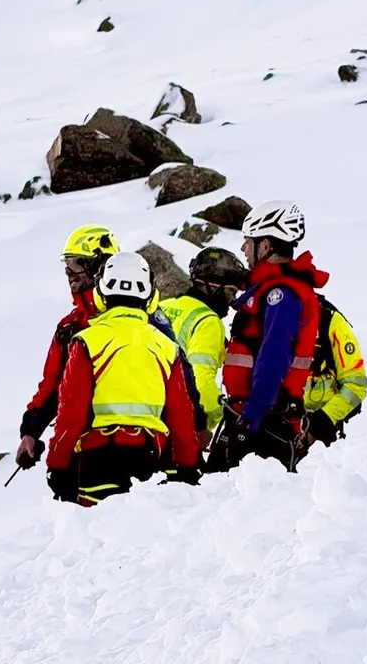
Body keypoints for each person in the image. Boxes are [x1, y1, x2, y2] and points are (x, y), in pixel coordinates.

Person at [45, 252, 204, 506]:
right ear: (150, 296)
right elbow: (181, 415)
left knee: (95, 540)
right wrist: (188, 464)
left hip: (98, 462)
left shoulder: (87, 341)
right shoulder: (166, 346)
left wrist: (58, 465)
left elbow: (70, 414)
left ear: (101, 292)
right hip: (151, 460)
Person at [208, 200, 331, 474]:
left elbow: (274, 358)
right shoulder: (273, 289)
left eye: (247, 241)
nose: (243, 249)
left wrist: (248, 421)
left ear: (265, 246)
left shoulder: (281, 295)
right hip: (256, 416)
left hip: (264, 422)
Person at [13, 225, 121, 471]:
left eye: (76, 263)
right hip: (83, 449)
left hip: (138, 443)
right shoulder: (69, 327)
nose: (68, 272)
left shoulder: (140, 318)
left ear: (99, 266)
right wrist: (30, 431)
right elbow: (52, 386)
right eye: (66, 264)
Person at [158, 247, 249, 448]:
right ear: (213, 286)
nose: (232, 300)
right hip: (176, 425)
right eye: (230, 291)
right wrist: (211, 420)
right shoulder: (208, 321)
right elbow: (201, 380)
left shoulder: (164, 307)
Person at [301, 294, 367, 447]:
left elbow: (356, 385)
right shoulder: (272, 319)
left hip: (319, 429)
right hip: (277, 422)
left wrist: (322, 421)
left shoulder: (332, 323)